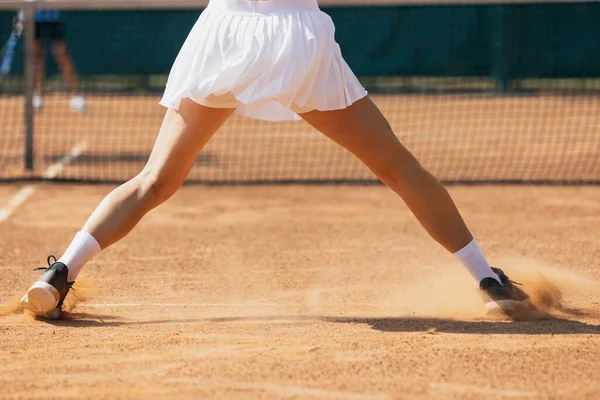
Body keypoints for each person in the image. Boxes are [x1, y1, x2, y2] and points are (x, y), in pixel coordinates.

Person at [20, 0, 529, 320]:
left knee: (154, 180)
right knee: (398, 167)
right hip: (296, 36)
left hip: (223, 30)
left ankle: (60, 273)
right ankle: (487, 278)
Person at [16, 8, 86, 112]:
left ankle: (76, 95)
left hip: (53, 17)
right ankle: (38, 96)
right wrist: (22, 15)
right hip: (33, 17)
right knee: (36, 56)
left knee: (61, 54)